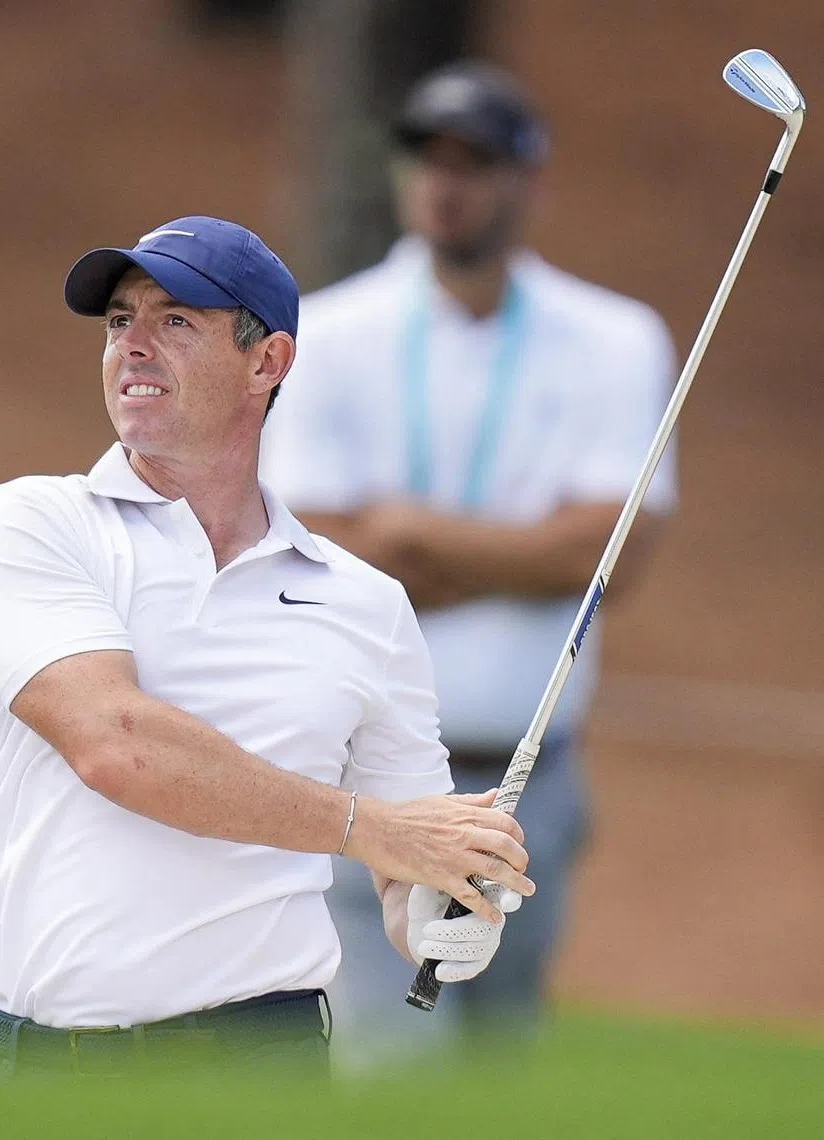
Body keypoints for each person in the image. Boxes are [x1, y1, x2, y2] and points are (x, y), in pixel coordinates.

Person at [0, 215, 535, 1079]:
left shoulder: (365, 604)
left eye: (175, 320)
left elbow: (409, 869)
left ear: (269, 363)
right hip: (48, 1069)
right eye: (120, 321)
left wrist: (451, 914)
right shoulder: (33, 523)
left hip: (264, 1062)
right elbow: (116, 744)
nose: (133, 346)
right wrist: (368, 829)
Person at [261, 62, 677, 1061]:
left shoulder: (617, 339)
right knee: (390, 1068)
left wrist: (403, 535)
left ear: (528, 180)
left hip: (529, 778)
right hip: (368, 774)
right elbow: (303, 547)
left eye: (475, 163)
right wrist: (518, 549)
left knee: (500, 1066)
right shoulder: (330, 328)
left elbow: (606, 550)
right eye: (428, 159)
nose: (446, 183)